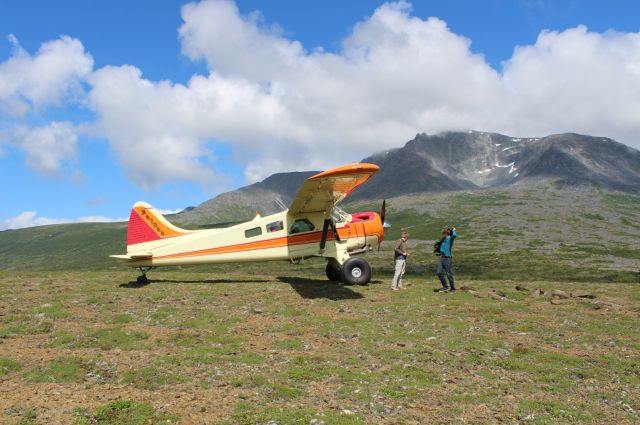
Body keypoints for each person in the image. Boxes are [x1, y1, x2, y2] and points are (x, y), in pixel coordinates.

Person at [435, 227, 457, 293]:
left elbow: (454, 235)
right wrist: (438, 250)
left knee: (449, 274)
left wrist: (453, 230)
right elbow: (442, 248)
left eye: (444, 233)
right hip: (442, 258)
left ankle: (453, 289)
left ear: (447, 233)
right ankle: (445, 287)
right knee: (439, 272)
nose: (443, 234)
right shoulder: (443, 240)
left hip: (448, 259)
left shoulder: (450, 239)